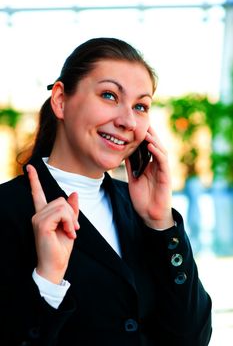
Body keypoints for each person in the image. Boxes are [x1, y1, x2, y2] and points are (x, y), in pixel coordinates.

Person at [0, 37, 212, 346]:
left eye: (140, 106)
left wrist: (161, 224)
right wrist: (46, 281)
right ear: (60, 100)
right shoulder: (8, 210)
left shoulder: (139, 208)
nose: (127, 121)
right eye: (109, 95)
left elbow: (192, 336)